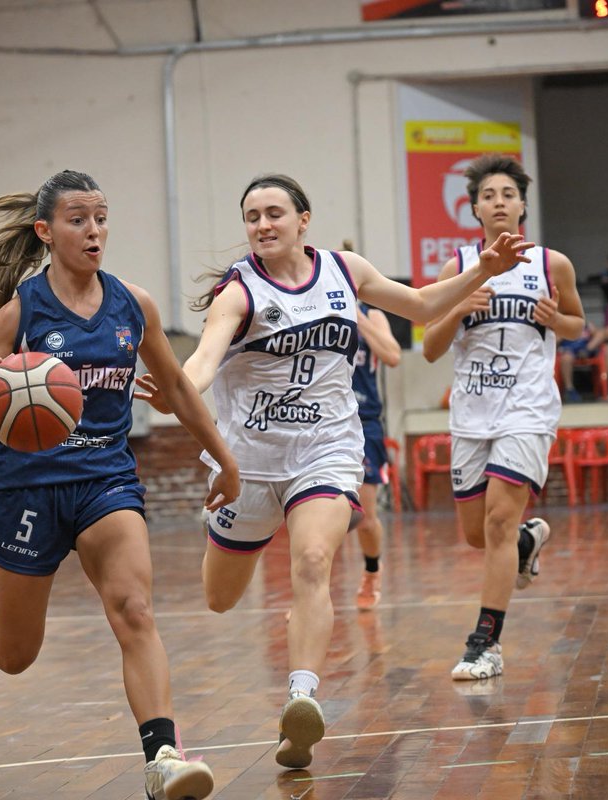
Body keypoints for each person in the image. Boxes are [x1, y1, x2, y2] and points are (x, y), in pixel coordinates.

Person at [136, 171, 537, 771]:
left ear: (303, 220)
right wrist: (176, 395)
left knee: (315, 561)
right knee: (220, 599)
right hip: (249, 462)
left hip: (327, 451)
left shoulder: (345, 271)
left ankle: (301, 699)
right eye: (252, 217)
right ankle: (221, 531)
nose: (263, 225)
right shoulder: (238, 293)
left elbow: (423, 304)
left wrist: (483, 268)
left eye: (275, 213)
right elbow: (202, 363)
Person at [0, 170, 239, 800]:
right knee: (22, 651)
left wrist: (223, 456)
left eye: (100, 217)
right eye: (78, 219)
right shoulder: (18, 311)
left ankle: (163, 758)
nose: (94, 230)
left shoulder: (133, 304)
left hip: (105, 478)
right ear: (46, 232)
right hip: (25, 487)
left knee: (134, 608)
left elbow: (179, 389)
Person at [422, 155, 585, 682]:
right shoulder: (458, 269)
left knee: (497, 520)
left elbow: (577, 324)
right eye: (488, 195)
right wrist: (457, 308)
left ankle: (484, 645)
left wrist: (556, 318)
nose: (498, 202)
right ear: (474, 208)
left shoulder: (551, 264)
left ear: (521, 206)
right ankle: (525, 542)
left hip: (528, 410)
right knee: (480, 534)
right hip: (471, 412)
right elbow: (428, 348)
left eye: (507, 194)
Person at [351, 303, 401, 609]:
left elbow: (393, 356)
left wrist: (358, 318)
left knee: (365, 519)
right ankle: (308, 593)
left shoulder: (372, 314)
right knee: (310, 516)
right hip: (320, 421)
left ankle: (372, 570)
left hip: (364, 420)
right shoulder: (310, 305)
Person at [557, 323, 606, 403]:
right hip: (569, 350)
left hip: (585, 350)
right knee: (566, 358)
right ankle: (570, 389)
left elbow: (600, 335)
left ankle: (586, 350)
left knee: (602, 333)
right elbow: (555, 340)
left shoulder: (586, 325)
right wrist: (564, 333)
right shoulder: (562, 325)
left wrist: (588, 348)